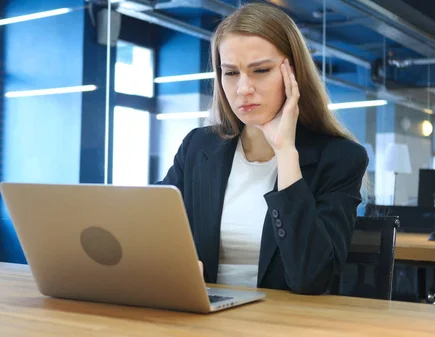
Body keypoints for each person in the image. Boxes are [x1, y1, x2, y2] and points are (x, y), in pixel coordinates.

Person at [156, 3, 369, 295]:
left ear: (293, 73)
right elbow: (150, 227)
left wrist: (285, 152)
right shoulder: (198, 147)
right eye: (230, 73)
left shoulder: (341, 159)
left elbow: (311, 278)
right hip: (202, 317)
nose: (243, 88)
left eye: (260, 70)